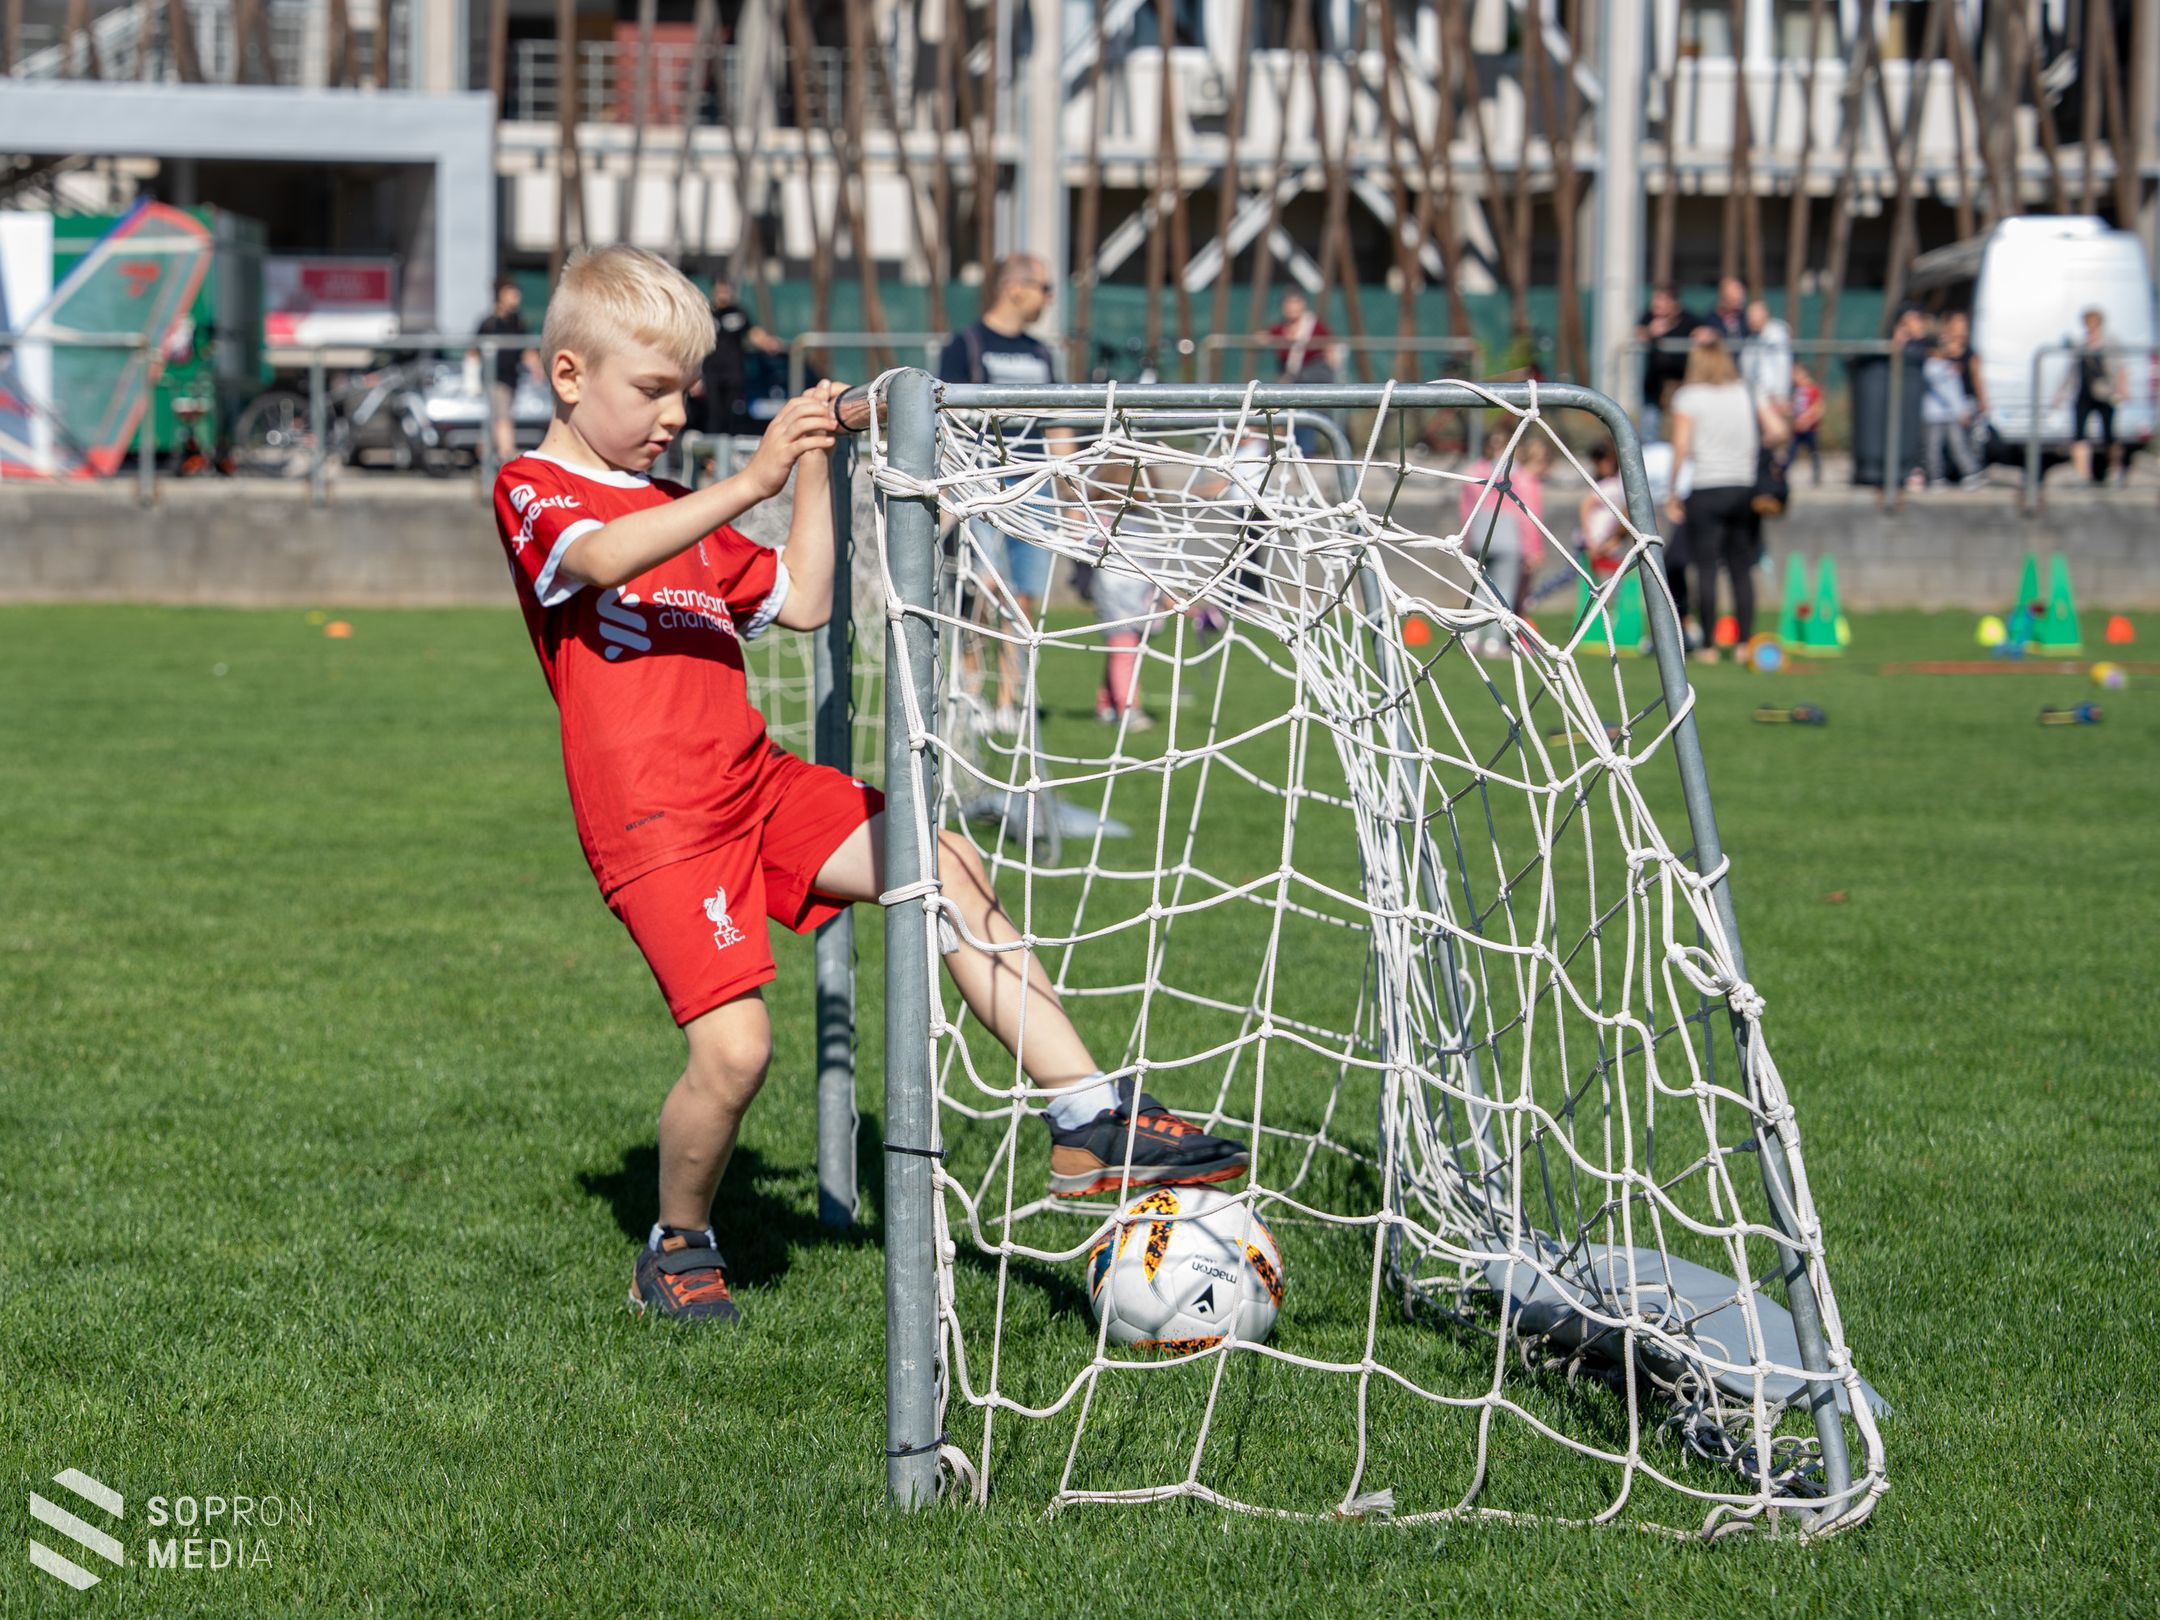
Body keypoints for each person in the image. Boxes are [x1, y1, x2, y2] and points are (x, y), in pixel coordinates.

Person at [491, 247, 1247, 1324]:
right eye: (650, 388)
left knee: (941, 860)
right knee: (738, 1051)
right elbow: (603, 559)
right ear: (569, 376)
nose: (672, 412)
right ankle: (679, 1240)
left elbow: (800, 598)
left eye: (682, 391)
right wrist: (744, 481)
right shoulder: (535, 489)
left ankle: (1086, 1115)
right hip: (659, 827)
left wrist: (809, 459)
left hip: (756, 785)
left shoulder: (680, 512)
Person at [938, 252, 1064, 730]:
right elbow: (946, 422)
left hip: (1034, 485)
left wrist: (1068, 491)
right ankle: (971, 691)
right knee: (981, 591)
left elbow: (1055, 424)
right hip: (981, 482)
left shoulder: (1042, 352)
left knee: (1022, 597)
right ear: (1016, 288)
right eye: (1044, 288)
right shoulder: (965, 345)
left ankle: (1009, 701)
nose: (1048, 298)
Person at [1666, 331, 1761, 660]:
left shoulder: (1689, 396)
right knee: (1741, 567)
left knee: (1706, 567)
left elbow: (1681, 447)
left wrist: (1674, 490)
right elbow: (1776, 428)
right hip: (1743, 486)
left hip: (1707, 486)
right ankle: (1744, 643)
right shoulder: (1743, 392)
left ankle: (1707, 645)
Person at [1457, 425, 1545, 658]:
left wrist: (1466, 538)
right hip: (1509, 538)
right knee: (1502, 591)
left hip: (1480, 536)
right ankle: (1494, 642)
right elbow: (1528, 514)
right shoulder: (1520, 477)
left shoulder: (1474, 472)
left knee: (1481, 588)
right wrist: (1533, 548)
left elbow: (1466, 511)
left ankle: (1472, 637)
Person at [699, 278, 785, 439]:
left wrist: (768, 343)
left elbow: (754, 334)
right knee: (713, 413)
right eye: (720, 291)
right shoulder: (707, 314)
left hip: (733, 373)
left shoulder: (738, 313)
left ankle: (728, 448)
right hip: (712, 373)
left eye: (726, 291)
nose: (723, 295)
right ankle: (711, 454)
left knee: (732, 413)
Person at [475, 277, 542, 467]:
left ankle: (484, 453)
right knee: (503, 417)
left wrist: (537, 369)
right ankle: (507, 455)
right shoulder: (489, 323)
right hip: (494, 379)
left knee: (496, 418)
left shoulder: (518, 321)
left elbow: (526, 350)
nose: (516, 297)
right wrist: (471, 380)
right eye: (512, 292)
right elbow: (473, 352)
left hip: (512, 378)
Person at [1635, 283, 1706, 440]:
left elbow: (1706, 331)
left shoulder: (1688, 319)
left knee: (1684, 428)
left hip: (1682, 384)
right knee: (1649, 430)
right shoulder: (1649, 317)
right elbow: (1638, 333)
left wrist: (1702, 335)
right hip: (1655, 384)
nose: (1655, 305)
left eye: (1661, 301)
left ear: (1673, 303)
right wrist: (1649, 333)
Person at [2067, 306, 2126, 486]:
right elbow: (2072, 371)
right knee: (2079, 434)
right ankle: (2083, 475)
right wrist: (2062, 393)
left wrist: (2122, 389)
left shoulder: (2110, 342)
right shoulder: (2081, 344)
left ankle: (2115, 469)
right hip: (2083, 392)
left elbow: (2121, 368)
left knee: (2109, 434)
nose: (2089, 326)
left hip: (2105, 392)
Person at [1921, 326, 1985, 488]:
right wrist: (1961, 411)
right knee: (1934, 448)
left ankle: (1970, 473)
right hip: (1935, 415)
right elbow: (1947, 392)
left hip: (1949, 415)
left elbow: (1955, 392)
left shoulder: (1947, 367)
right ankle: (1936, 477)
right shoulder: (1934, 368)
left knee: (1956, 445)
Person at [1265, 290, 1331, 377]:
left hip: (1313, 374)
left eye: (1295, 303)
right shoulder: (1278, 328)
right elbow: (1264, 337)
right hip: (1287, 373)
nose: (1292, 307)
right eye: (1288, 303)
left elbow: (1329, 347)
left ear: (1303, 305)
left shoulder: (1315, 326)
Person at [1787, 362, 1824, 486]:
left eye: (1795, 373)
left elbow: (1818, 408)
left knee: (1813, 451)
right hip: (1798, 429)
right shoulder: (1797, 391)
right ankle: (1783, 472)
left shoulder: (1812, 389)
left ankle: (1817, 474)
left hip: (1810, 428)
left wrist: (1807, 419)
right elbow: (1794, 407)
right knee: (1791, 452)